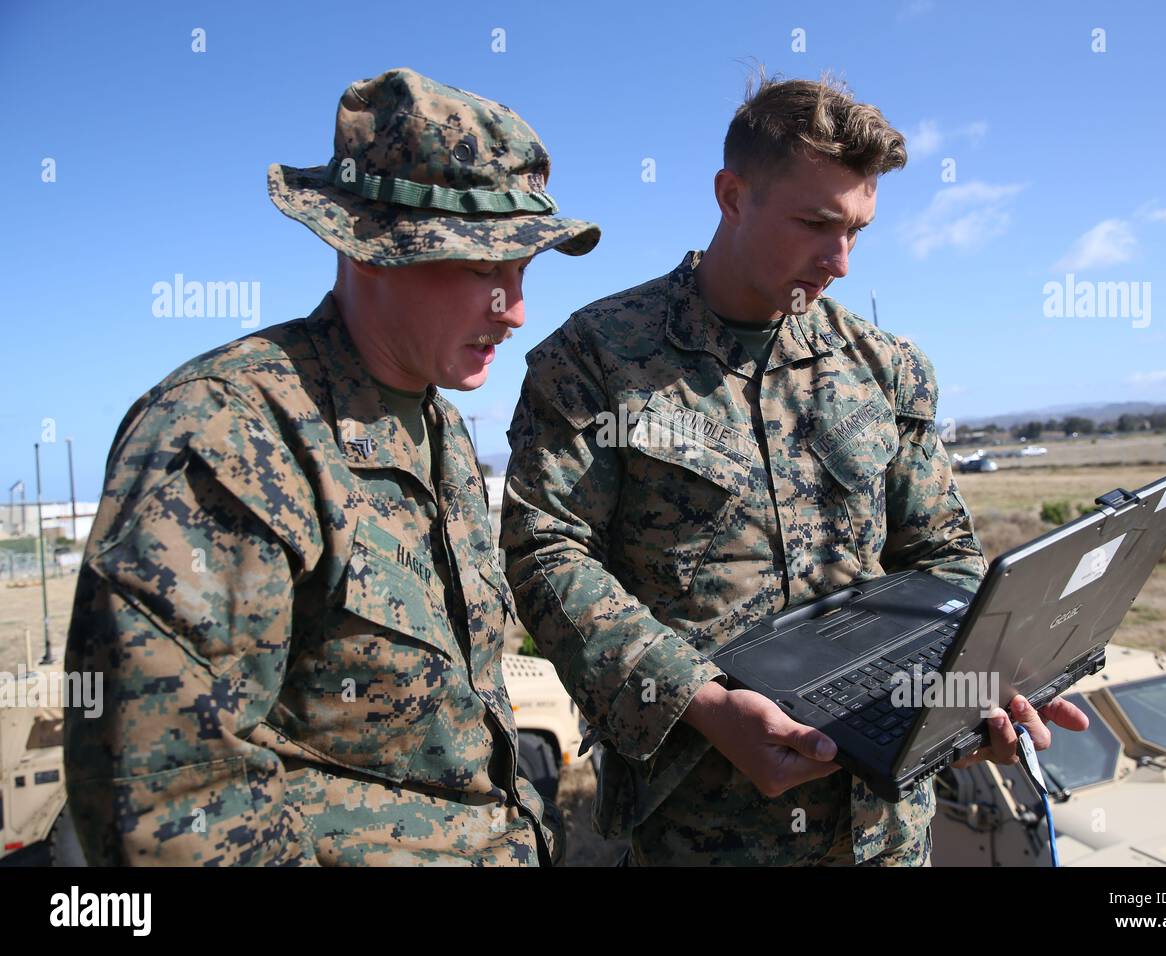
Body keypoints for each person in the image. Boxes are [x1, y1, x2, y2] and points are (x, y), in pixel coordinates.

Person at [500, 74, 1086, 866]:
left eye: (858, 231)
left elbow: (941, 553)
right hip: (700, 825)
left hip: (885, 823)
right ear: (732, 196)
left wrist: (978, 684)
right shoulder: (596, 358)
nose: (840, 260)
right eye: (816, 223)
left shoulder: (888, 369)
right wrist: (702, 703)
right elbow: (547, 554)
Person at [63, 67, 599, 866]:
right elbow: (169, 808)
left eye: (524, 272)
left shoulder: (439, 426)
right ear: (375, 252)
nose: (515, 311)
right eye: (484, 270)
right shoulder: (228, 434)